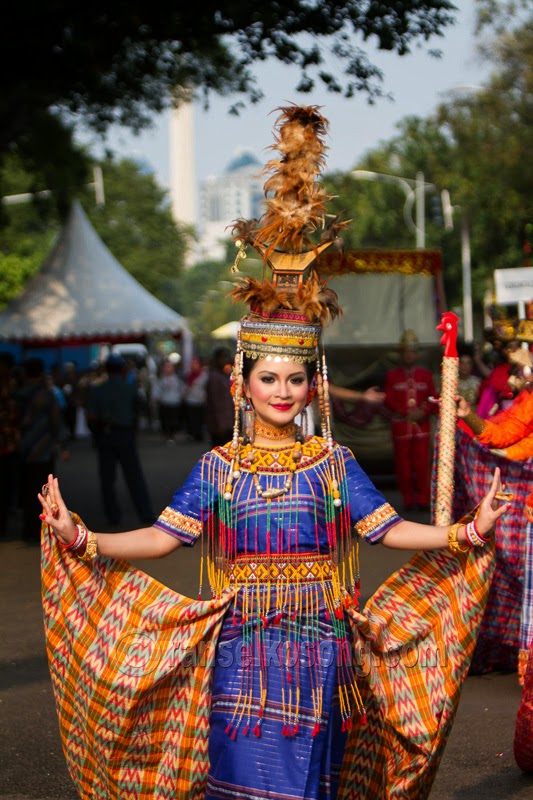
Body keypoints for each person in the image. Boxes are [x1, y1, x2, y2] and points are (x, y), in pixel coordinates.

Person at [38, 106, 508, 800]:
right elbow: (164, 540)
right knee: (244, 782)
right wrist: (84, 537)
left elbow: (386, 530)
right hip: (240, 647)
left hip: (321, 651)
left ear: (310, 384)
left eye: (294, 379)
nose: (282, 392)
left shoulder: (332, 464)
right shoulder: (216, 470)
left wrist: (463, 531)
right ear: (242, 384)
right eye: (269, 379)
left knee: (309, 784)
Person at [85, 353, 155, 527]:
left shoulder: (97, 390)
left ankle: (113, 516)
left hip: (106, 436)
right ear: (122, 369)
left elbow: (91, 417)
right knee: (134, 476)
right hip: (125, 434)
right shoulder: (129, 388)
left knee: (107, 479)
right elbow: (140, 409)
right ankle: (145, 512)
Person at [384, 330, 437, 512]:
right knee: (403, 467)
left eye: (413, 351)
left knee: (422, 465)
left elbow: (433, 397)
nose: (409, 355)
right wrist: (405, 411)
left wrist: (423, 411)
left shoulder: (425, 375)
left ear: (417, 354)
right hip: (401, 427)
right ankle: (408, 499)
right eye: (406, 351)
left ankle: (423, 499)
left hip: (421, 427)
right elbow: (388, 398)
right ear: (401, 353)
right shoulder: (392, 376)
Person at [16, 357, 68, 542]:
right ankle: (42, 531)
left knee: (27, 490)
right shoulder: (46, 394)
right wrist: (61, 443)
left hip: (22, 448)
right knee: (44, 492)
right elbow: (56, 420)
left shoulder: (17, 394)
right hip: (43, 449)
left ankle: (28, 530)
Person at [0, 352, 19, 537]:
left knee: (6, 485)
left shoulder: (11, 385)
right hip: (7, 444)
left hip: (7, 445)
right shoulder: (11, 386)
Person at [206, 345, 234, 447]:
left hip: (228, 421)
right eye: (223, 357)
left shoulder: (225, 375)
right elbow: (214, 402)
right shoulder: (214, 377)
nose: (226, 360)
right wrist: (219, 423)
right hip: (220, 424)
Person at [151, 360, 185, 442]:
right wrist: (155, 398)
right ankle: (166, 434)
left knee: (174, 421)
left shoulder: (177, 379)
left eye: (170, 367)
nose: (168, 369)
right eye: (166, 368)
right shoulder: (161, 379)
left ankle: (172, 435)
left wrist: (181, 397)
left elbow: (181, 389)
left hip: (175, 403)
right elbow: (157, 390)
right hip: (165, 403)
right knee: (165, 421)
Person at [183, 356, 208, 441]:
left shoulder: (204, 375)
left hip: (200, 400)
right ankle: (193, 434)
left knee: (199, 419)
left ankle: (199, 435)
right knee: (192, 419)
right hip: (190, 400)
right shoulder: (188, 375)